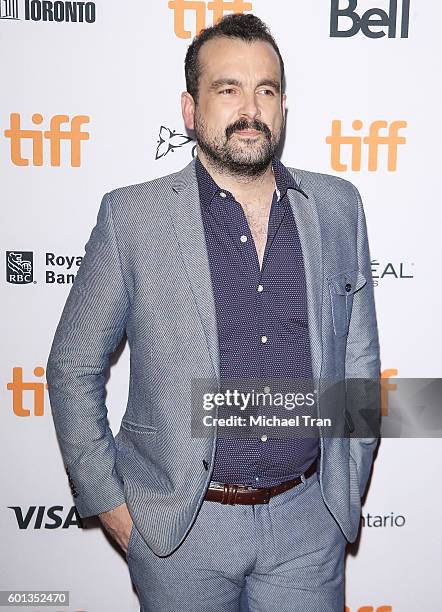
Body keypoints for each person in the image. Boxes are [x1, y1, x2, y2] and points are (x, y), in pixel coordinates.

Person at [46, 13, 381, 612]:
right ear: (190, 108)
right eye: (228, 89)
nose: (250, 108)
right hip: (181, 533)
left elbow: (359, 355)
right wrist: (114, 508)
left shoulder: (337, 206)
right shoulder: (133, 218)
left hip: (308, 526)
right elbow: (72, 367)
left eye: (267, 90)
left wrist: (344, 491)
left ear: (282, 107)